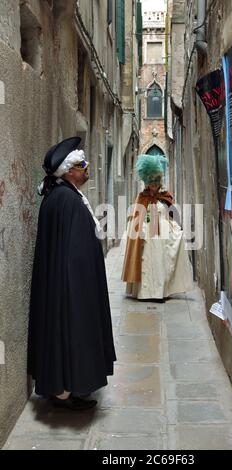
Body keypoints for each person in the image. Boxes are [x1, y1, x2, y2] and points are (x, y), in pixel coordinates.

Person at [28, 137, 116, 410]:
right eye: (81, 164)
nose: (87, 168)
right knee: (71, 334)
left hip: (66, 285)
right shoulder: (66, 199)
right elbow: (74, 254)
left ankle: (69, 388)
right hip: (71, 288)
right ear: (67, 171)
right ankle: (66, 389)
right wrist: (80, 289)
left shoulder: (62, 196)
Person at [121, 154, 194, 301]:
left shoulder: (165, 196)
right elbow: (136, 216)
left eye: (156, 183)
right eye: (151, 184)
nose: (154, 186)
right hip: (147, 236)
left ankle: (160, 293)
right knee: (147, 263)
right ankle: (146, 293)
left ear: (159, 182)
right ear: (147, 183)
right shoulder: (142, 197)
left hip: (163, 237)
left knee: (161, 263)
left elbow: (172, 215)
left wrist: (176, 229)